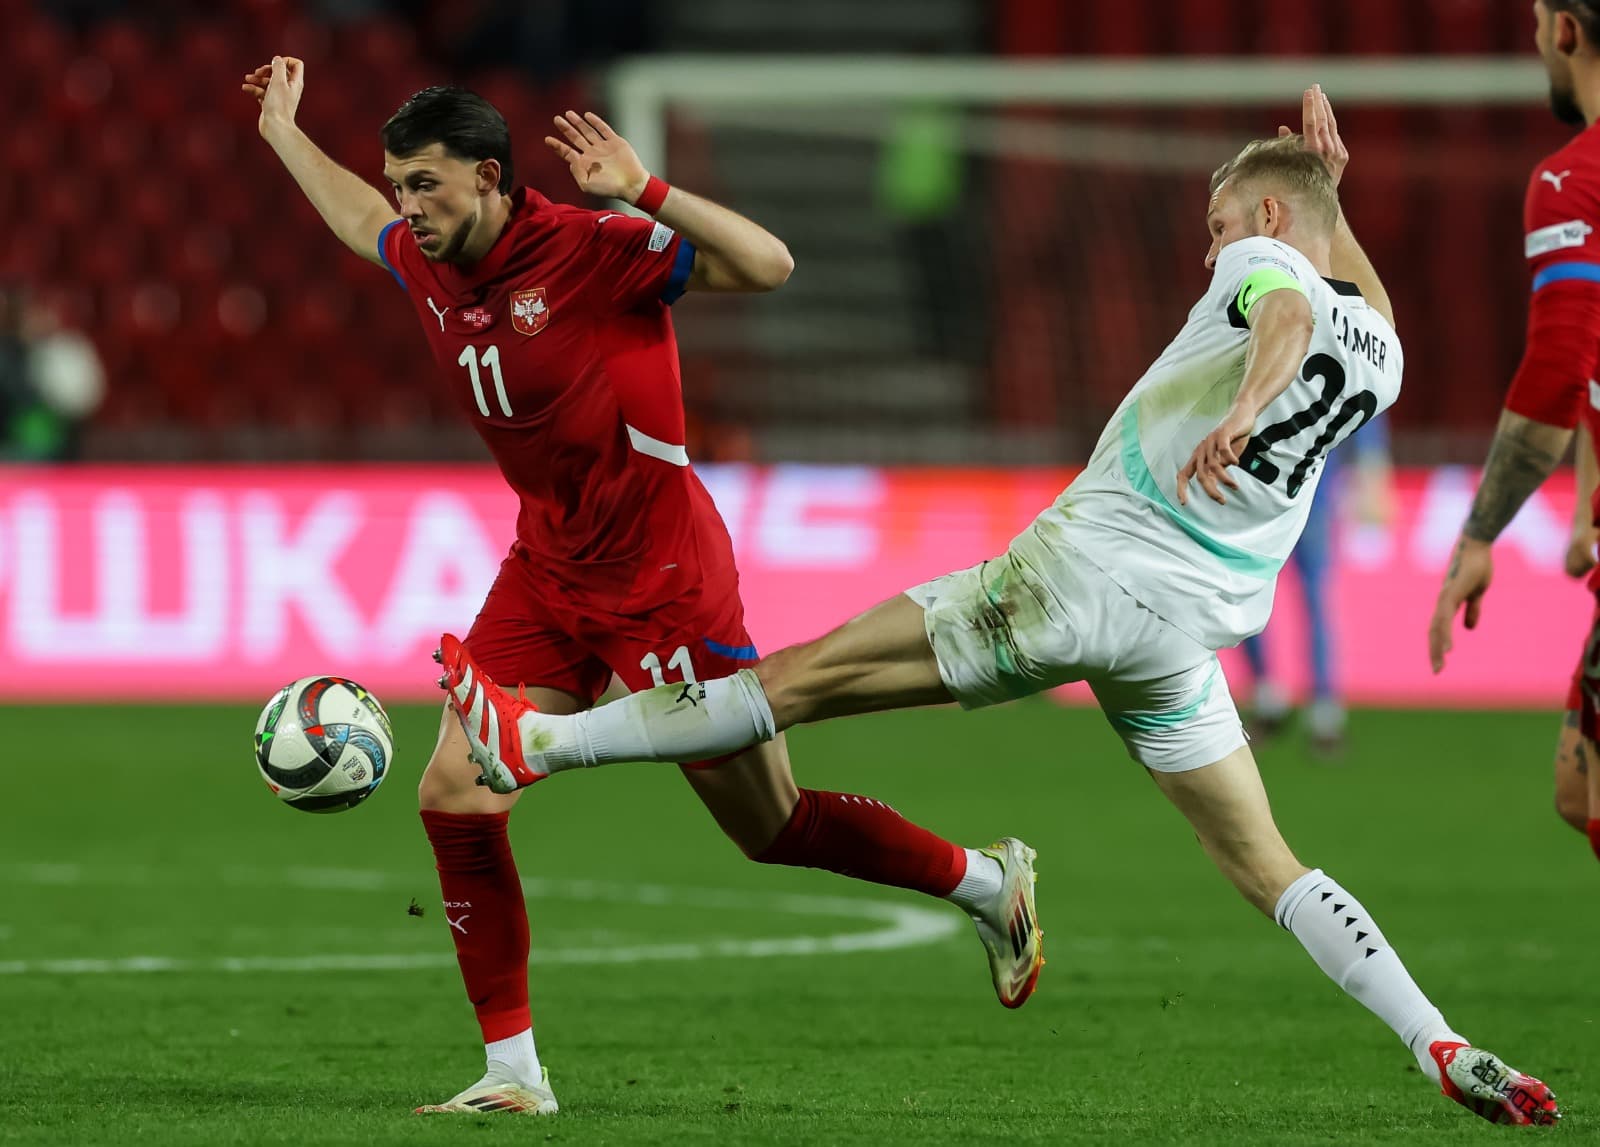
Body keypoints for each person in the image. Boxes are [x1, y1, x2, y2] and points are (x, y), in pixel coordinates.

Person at [442, 88, 1560, 1127]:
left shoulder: (1259, 263)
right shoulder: (1384, 349)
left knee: (788, 685)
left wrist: (1247, 390)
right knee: (1270, 865)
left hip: (1074, 588)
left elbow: (1276, 308)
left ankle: (540, 738)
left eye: (1219, 225)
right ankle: (1438, 1039)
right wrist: (1331, 192)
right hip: (1185, 637)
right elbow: (1337, 291)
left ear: (1266, 215)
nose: (1211, 249)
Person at [242, 58, 1041, 1119]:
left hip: (663, 574)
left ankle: (989, 884)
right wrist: (284, 133)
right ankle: (514, 1076)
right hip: (547, 564)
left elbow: (768, 264)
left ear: (488, 177)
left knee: (770, 824)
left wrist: (645, 191)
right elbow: (356, 224)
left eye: (425, 186)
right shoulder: (428, 255)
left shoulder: (588, 248)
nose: (406, 208)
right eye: (400, 184)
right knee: (454, 791)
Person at [1430, 0, 1600, 877]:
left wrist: (1479, 532)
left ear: (1566, 29)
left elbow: (1557, 375)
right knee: (1581, 790)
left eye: (1537, 19)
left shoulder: (1575, 182)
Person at [1242, 414, 1392, 752]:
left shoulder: (1273, 362)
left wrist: (1373, 485)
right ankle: (1297, 703)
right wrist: (1374, 482)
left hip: (1291, 504)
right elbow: (1367, 419)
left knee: (1290, 597)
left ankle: (1302, 703)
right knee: (1286, 598)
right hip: (1283, 503)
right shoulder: (1340, 364)